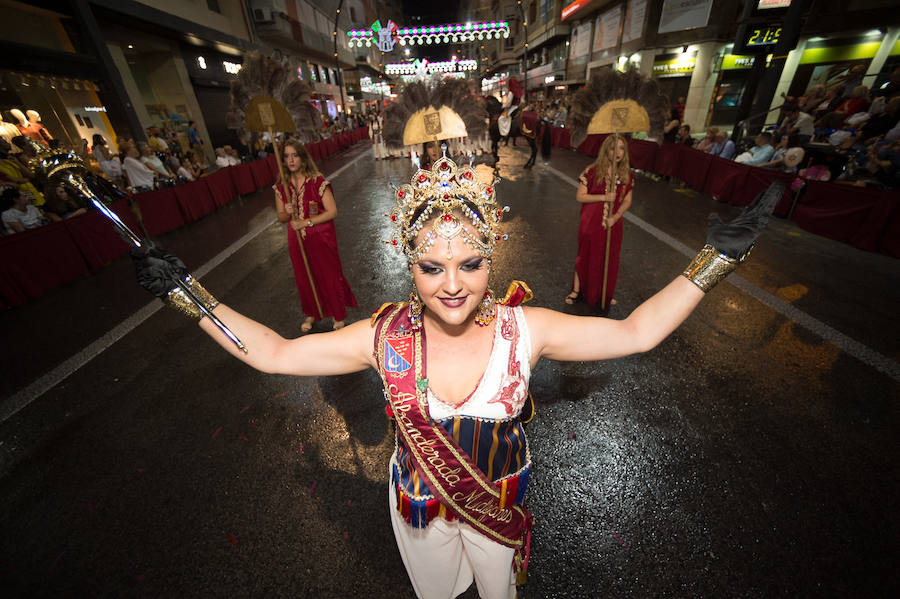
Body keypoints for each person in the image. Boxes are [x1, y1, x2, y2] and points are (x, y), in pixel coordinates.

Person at [129, 149, 779, 599]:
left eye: (469, 263)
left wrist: (715, 260)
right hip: (416, 507)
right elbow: (270, 351)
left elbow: (637, 332)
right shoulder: (384, 340)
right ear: (409, 267)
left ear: (490, 258)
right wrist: (187, 293)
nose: (452, 285)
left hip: (495, 501)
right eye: (432, 267)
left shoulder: (528, 331)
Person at [273, 140, 357, 332]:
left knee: (328, 274)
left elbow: (332, 211)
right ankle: (312, 312)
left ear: (303, 157)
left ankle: (337, 314)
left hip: (321, 237)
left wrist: (306, 222)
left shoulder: (317, 181)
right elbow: (281, 217)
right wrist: (287, 212)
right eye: (287, 156)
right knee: (303, 277)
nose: (291, 160)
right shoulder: (282, 186)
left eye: (294, 155)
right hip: (296, 240)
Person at [565, 135, 633, 309]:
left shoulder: (626, 175)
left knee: (609, 258)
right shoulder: (592, 171)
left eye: (621, 148)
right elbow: (580, 196)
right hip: (591, 222)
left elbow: (627, 200)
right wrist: (604, 197)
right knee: (586, 254)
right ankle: (577, 291)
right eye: (613, 148)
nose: (617, 152)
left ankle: (605, 293)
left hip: (614, 224)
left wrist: (616, 217)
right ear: (606, 150)